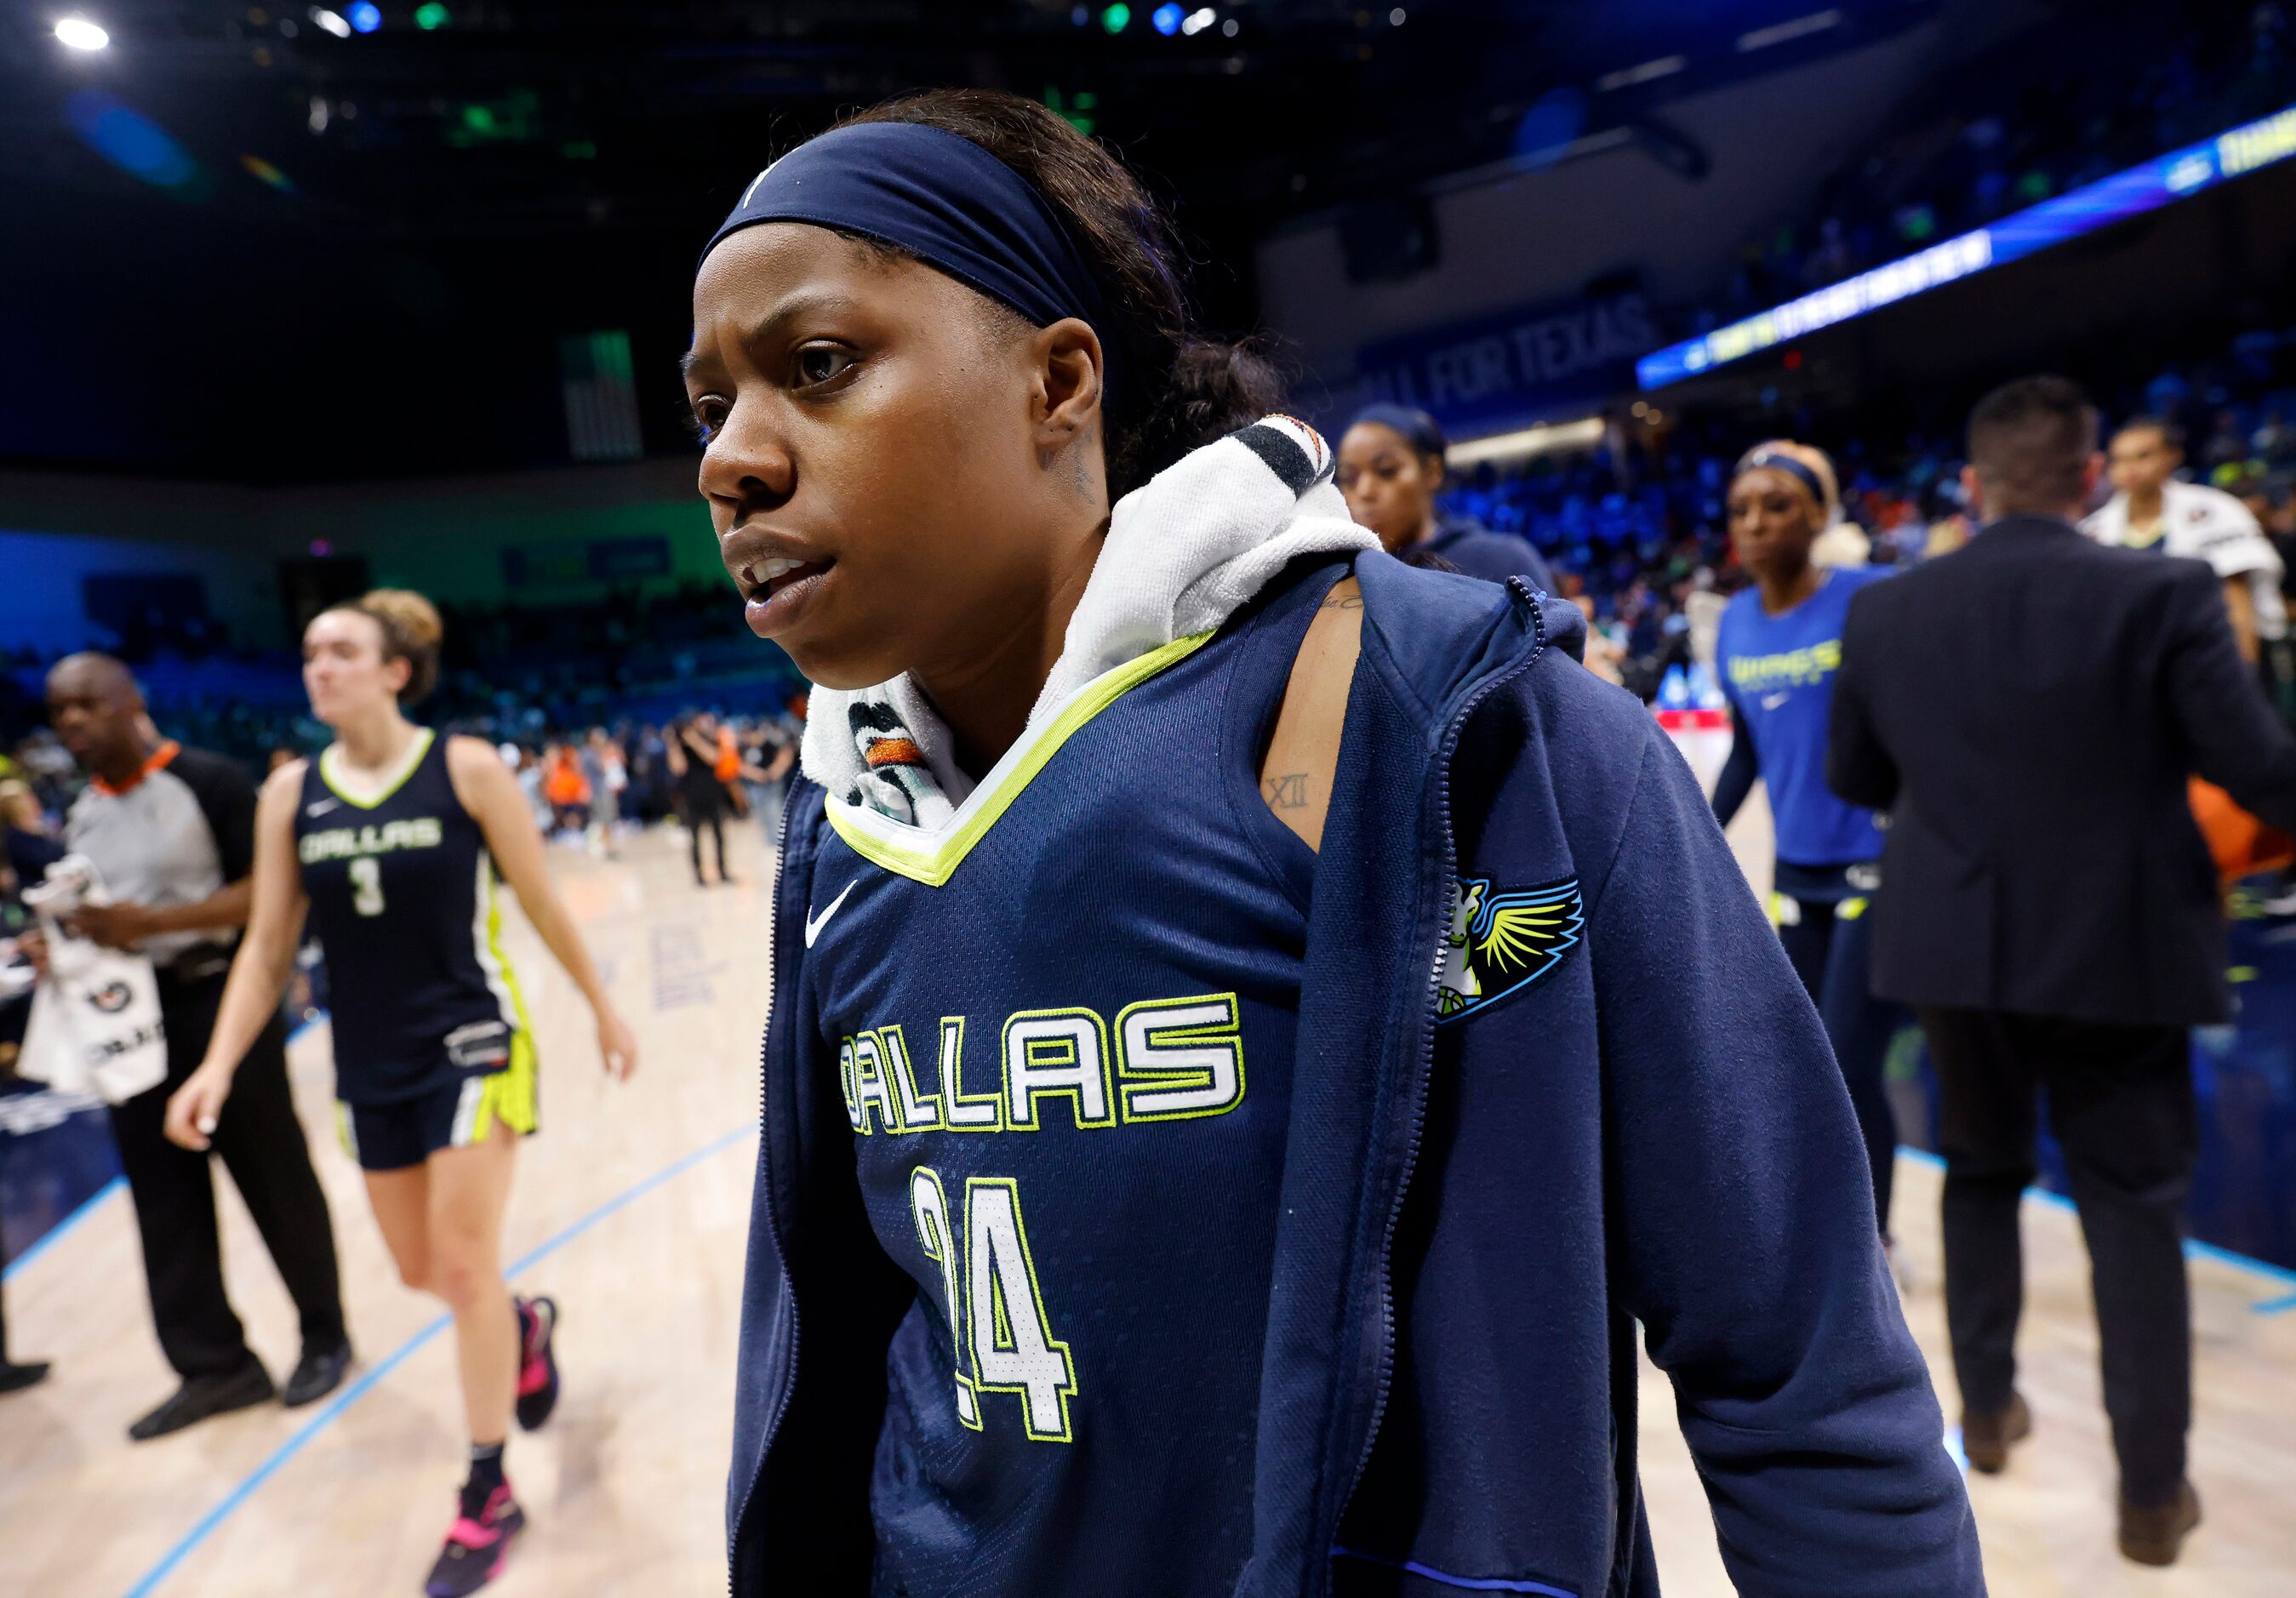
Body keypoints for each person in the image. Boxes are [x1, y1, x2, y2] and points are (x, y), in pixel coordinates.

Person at [692, 89, 1978, 1596]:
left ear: (1057, 381)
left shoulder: (1477, 736)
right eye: (708, 404)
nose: (734, 458)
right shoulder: (844, 828)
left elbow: (1797, 1371)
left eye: (819, 365)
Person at [1829, 376, 2296, 1568]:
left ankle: (1984, 1416)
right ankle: (2151, 1497)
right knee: (2131, 1212)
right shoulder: (2166, 589)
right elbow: (2256, 768)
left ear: (1972, 486)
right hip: (2120, 945)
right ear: (2092, 476)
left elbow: (1853, 776)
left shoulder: (1886, 609)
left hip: (1952, 941)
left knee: (1979, 1176)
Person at [161, 591, 640, 1597]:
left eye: (341, 649)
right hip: (366, 1065)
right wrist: (213, 1064)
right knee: (425, 1273)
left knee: (462, 1269)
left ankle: (486, 1491)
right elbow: (265, 950)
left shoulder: (464, 769)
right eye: (308, 653)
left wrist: (602, 1007)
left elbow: (540, 898)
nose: (318, 666)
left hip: (473, 1041)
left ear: (394, 670)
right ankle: (527, 1328)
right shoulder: (288, 794)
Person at [39, 653, 351, 1439]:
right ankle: (216, 1367)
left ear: (129, 700)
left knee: (273, 1173)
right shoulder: (79, 814)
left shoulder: (210, 780)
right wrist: (67, 945)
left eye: (86, 703)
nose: (71, 721)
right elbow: (102, 917)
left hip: (221, 996)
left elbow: (267, 894)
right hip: (131, 1021)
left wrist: (150, 926)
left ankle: (324, 1333)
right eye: (58, 710)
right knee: (162, 1198)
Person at [1711, 441, 1907, 1256]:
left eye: (1779, 504)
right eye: (1742, 508)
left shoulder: (1874, 597)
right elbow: (1752, 753)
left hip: (1883, 864)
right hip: (1797, 873)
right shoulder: (1734, 623)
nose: (1756, 522)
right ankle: (1833, 1226)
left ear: (1822, 515)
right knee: (1812, 1061)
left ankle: (1873, 1239)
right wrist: (1692, 830)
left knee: (1853, 1060)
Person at [2082, 416, 2287, 664]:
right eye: (2120, 460)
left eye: (2143, 456)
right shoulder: (2093, 530)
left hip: (2205, 660)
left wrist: (2243, 673)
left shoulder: (2214, 509)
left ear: (2173, 456)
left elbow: (2236, 601)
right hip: (2129, 667)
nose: (2130, 469)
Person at [1336, 403, 1560, 591]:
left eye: (1386, 471)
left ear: (1432, 472)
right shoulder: (1346, 584)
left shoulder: (1504, 561)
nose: (1364, 491)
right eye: (1349, 478)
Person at [664, 712, 735, 886]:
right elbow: (678, 768)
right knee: (694, 837)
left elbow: (714, 758)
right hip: (691, 797)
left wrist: (694, 740)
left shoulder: (707, 738)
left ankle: (723, 871)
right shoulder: (680, 746)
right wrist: (673, 744)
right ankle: (699, 875)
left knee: (719, 834)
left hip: (712, 793)